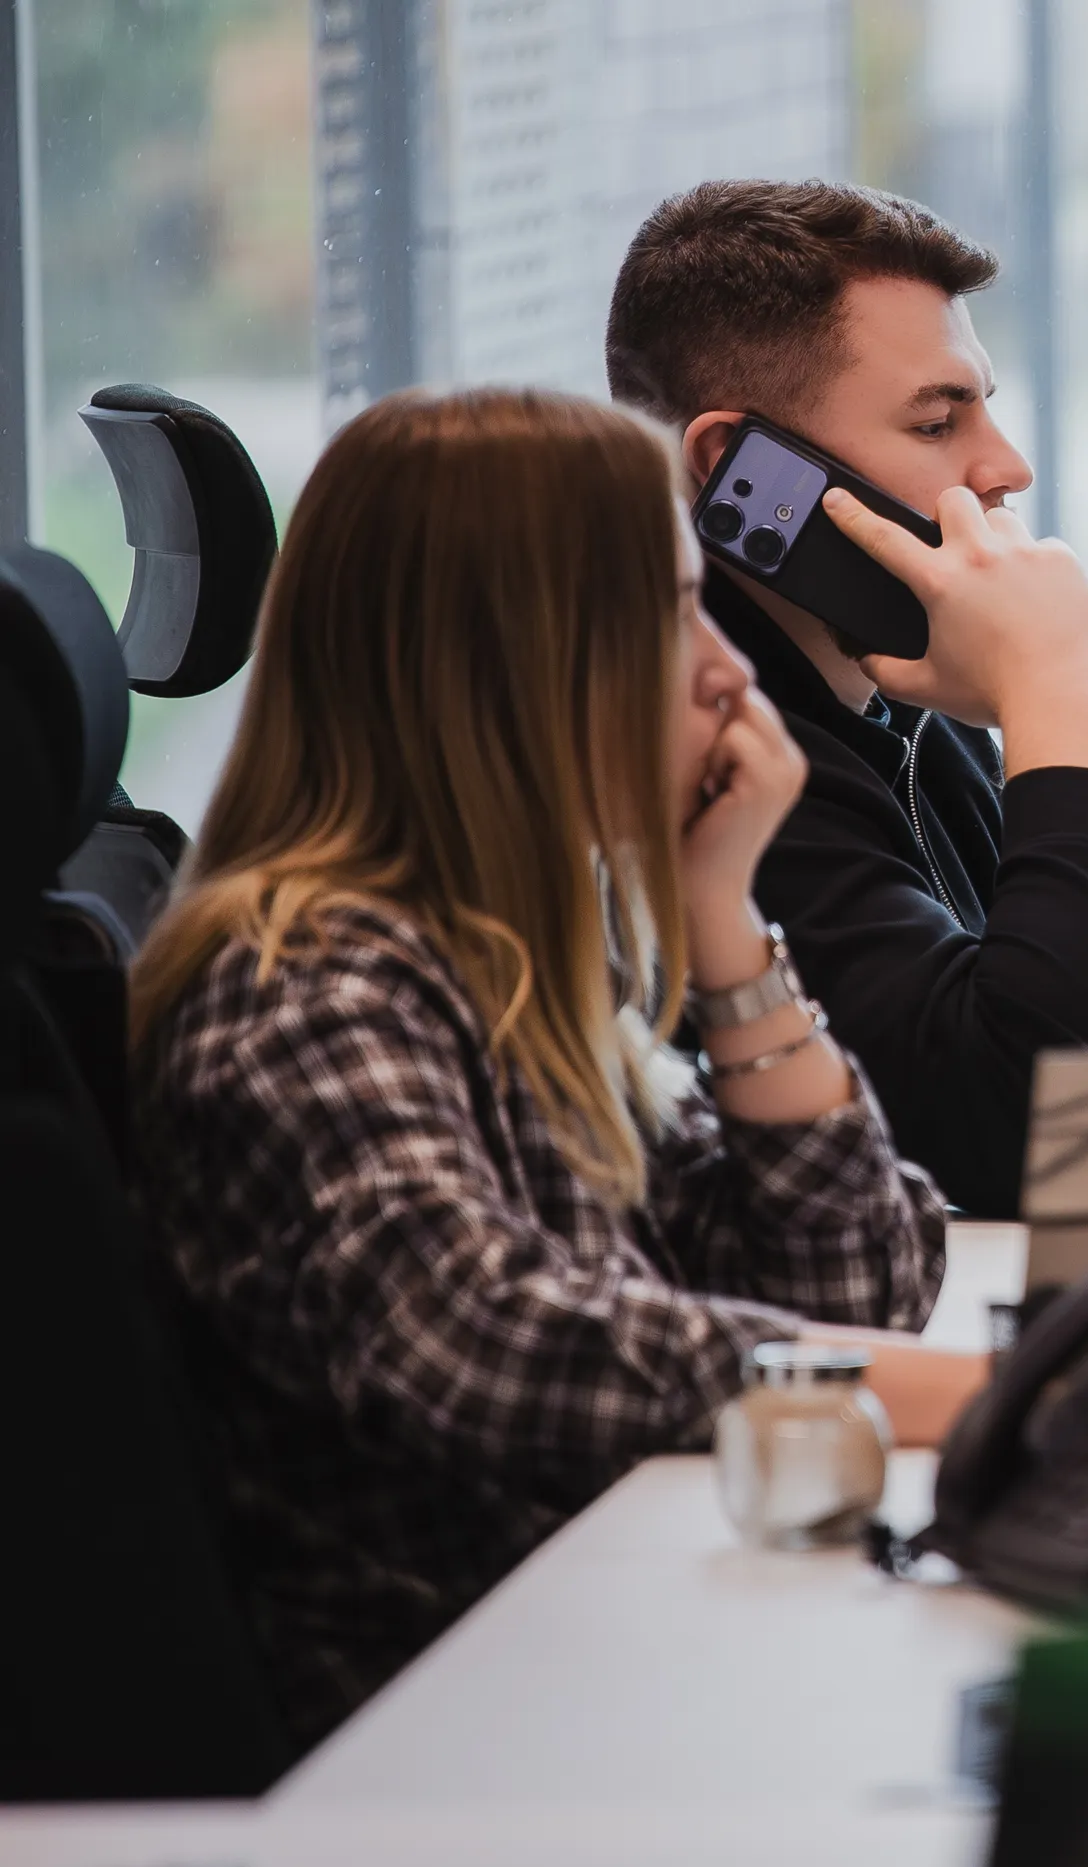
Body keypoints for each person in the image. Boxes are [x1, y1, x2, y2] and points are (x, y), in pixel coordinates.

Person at [130, 386, 984, 1747]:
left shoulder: (511, 955)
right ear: (507, 663)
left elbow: (858, 1275)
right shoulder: (304, 983)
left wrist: (723, 920)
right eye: (669, 611)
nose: (728, 672)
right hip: (449, 1750)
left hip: (591, 1670)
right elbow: (483, 1331)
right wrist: (961, 1393)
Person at [604, 179, 1088, 1219]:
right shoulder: (716, 765)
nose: (1006, 466)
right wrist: (1060, 689)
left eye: (985, 405)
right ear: (740, 473)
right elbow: (1052, 1133)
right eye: (937, 422)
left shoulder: (887, 684)